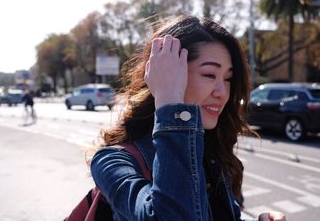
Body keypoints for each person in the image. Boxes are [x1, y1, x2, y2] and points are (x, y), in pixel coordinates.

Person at [90, 16, 286, 221]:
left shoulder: (212, 150)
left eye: (227, 78)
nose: (222, 92)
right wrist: (170, 102)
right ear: (165, 75)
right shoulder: (113, 162)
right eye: (210, 74)